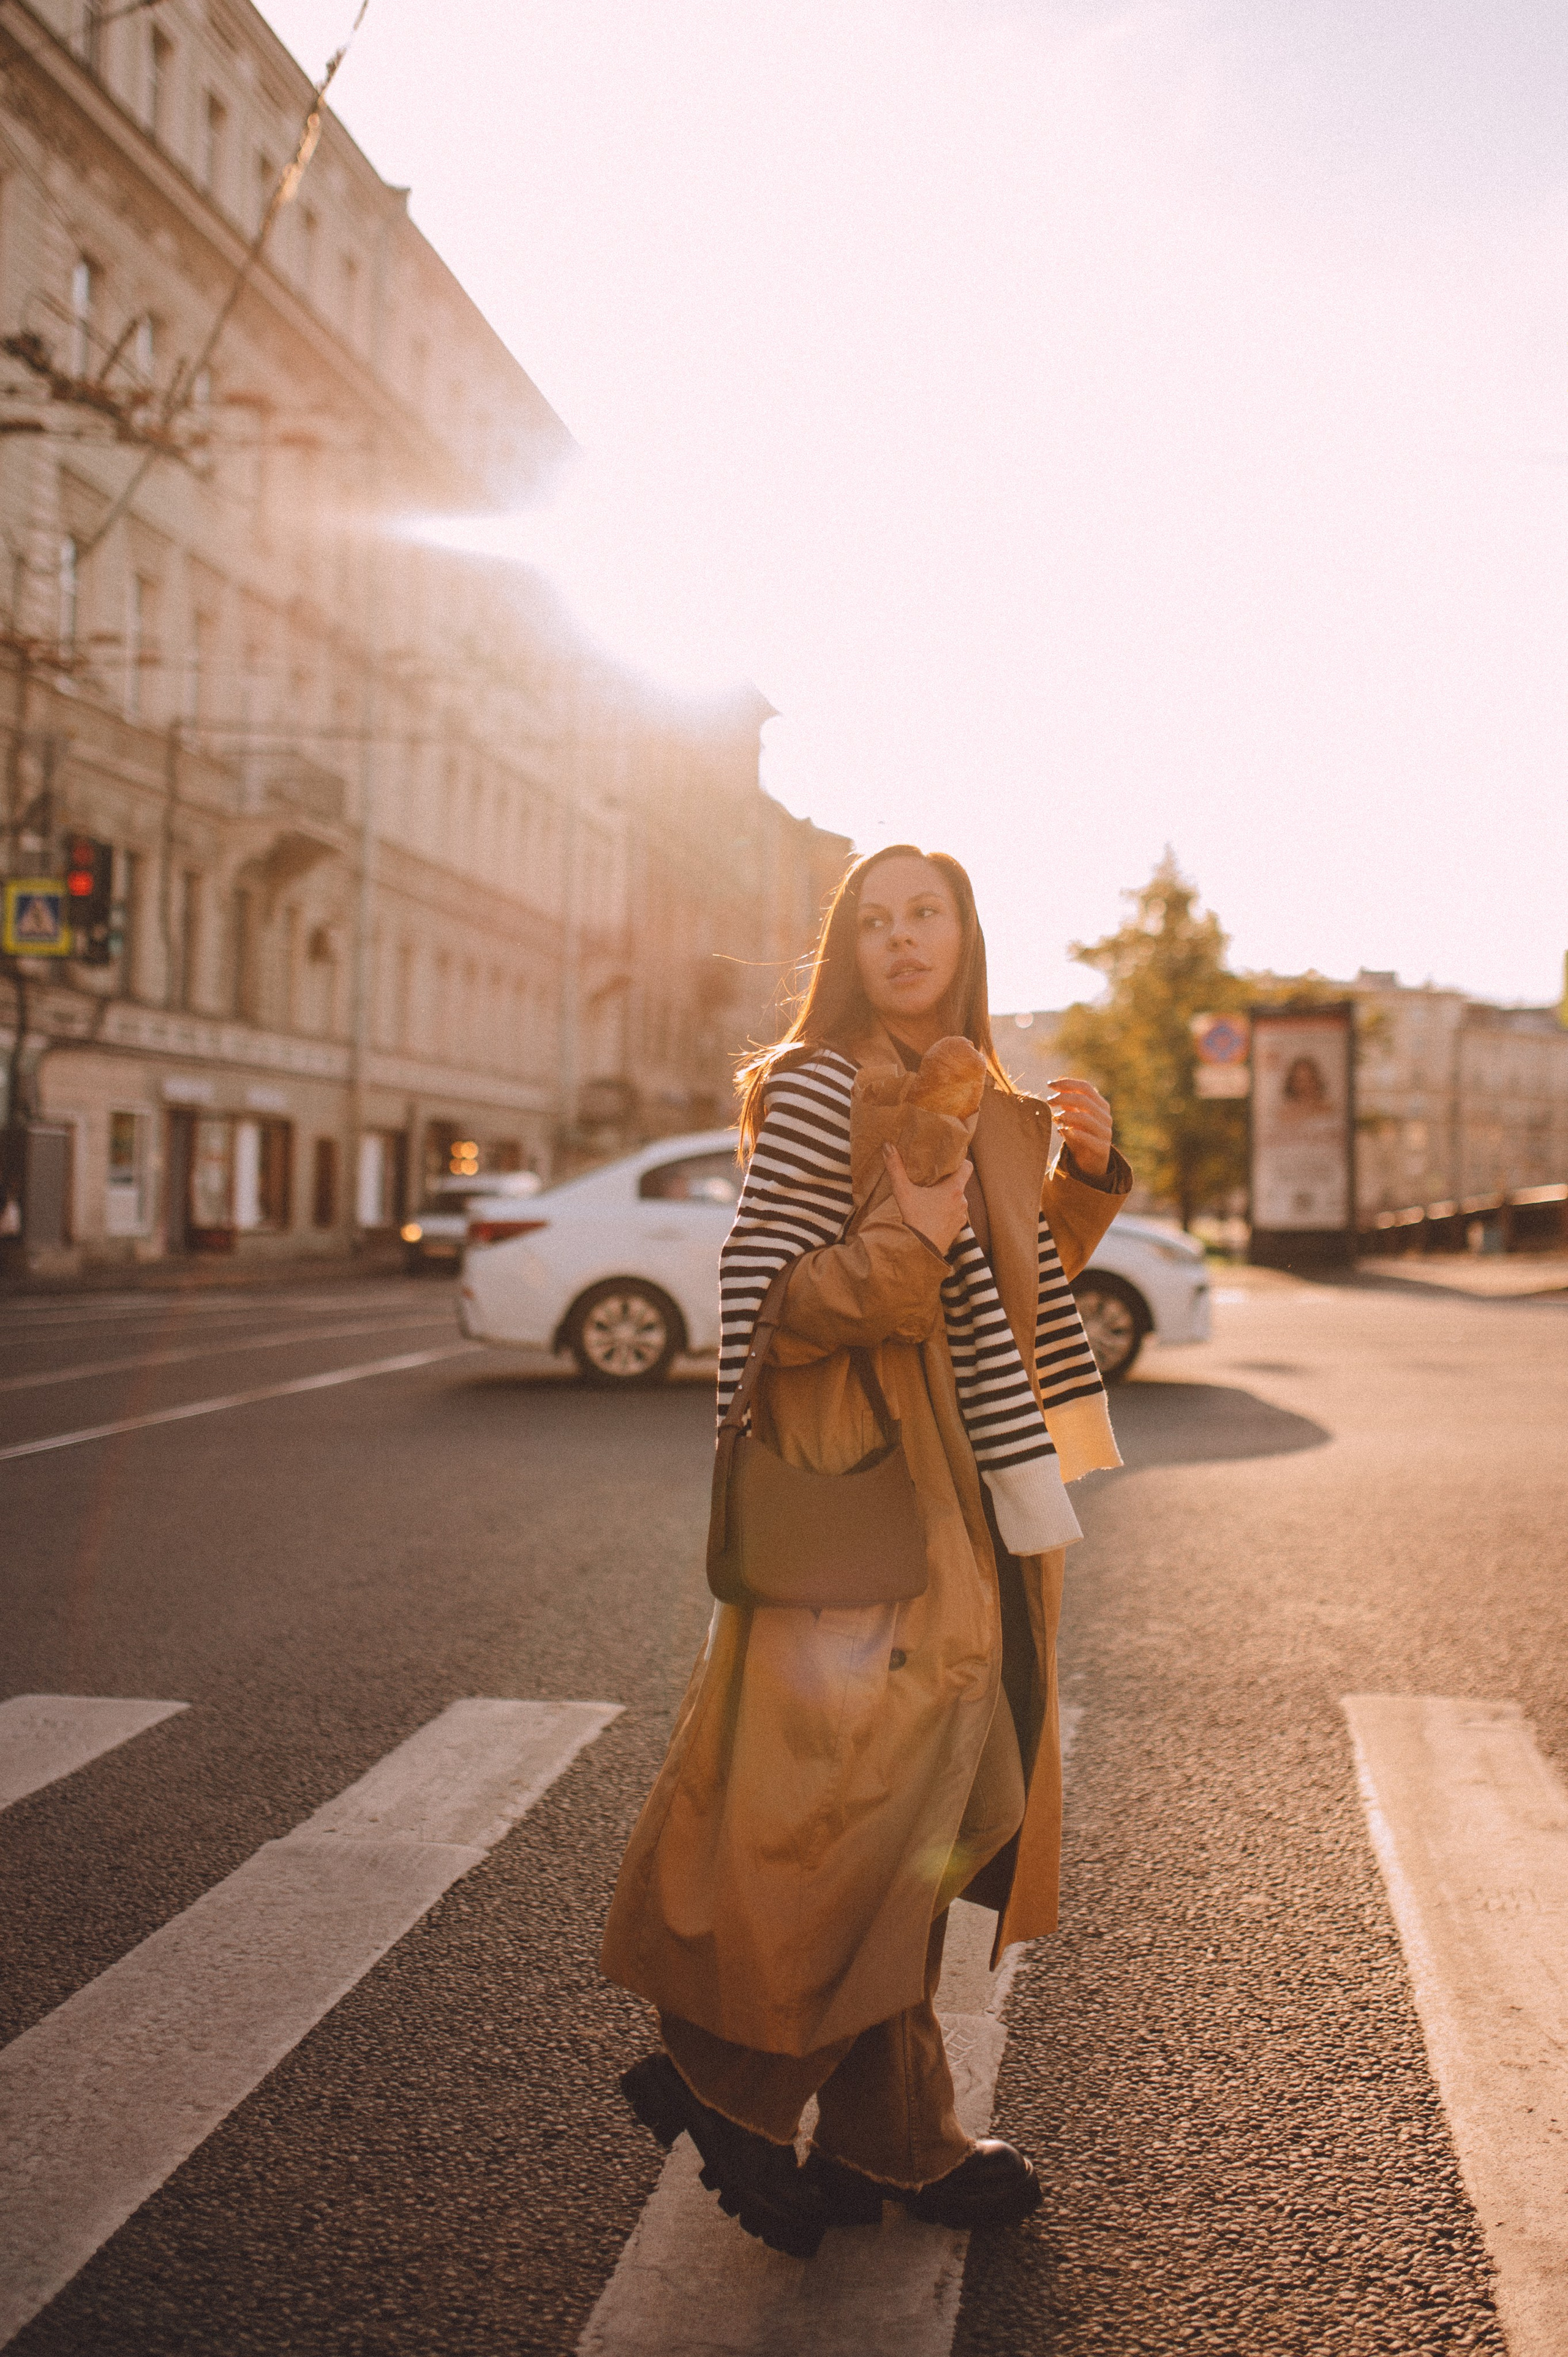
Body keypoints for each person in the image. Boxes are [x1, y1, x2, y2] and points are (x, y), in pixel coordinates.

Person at [602, 844, 1132, 2257]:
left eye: (928, 914)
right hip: (862, 1474)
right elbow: (768, 1301)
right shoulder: (820, 1084)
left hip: (970, 1474)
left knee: (942, 1791)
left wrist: (1083, 1175)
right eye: (876, 919)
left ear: (964, 934)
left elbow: (1009, 1290)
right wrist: (901, 1236)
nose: (903, 939)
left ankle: (898, 2137)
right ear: (847, 946)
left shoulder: (981, 1093)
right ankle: (727, 2081)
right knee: (885, 1797)